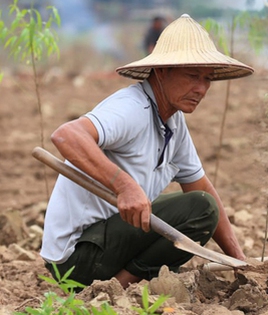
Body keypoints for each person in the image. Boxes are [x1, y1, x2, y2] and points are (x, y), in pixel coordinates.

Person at [41, 14, 254, 289]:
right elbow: (66, 136)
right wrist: (124, 185)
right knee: (200, 208)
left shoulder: (173, 122)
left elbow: (200, 185)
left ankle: (119, 285)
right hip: (77, 257)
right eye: (192, 76)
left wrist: (240, 261)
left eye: (207, 79)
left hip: (108, 244)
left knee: (202, 206)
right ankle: (118, 287)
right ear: (163, 71)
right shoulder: (132, 107)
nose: (201, 89)